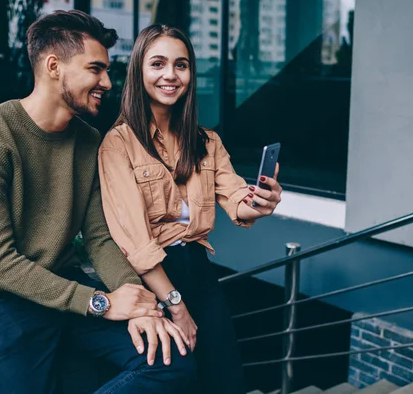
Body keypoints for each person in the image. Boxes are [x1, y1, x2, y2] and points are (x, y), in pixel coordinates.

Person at [0, 11, 195, 394]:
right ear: (54, 66)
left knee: (170, 360)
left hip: (63, 284)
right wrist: (101, 303)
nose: (107, 82)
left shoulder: (88, 140)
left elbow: (100, 237)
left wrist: (136, 302)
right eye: (96, 69)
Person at [98, 24, 283, 393]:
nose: (170, 75)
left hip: (200, 270)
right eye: (158, 64)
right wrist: (176, 306)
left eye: (181, 65)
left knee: (226, 378)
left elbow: (236, 201)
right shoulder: (117, 145)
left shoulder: (206, 141)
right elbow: (135, 243)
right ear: (139, 71)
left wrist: (261, 203)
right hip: (154, 280)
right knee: (176, 378)